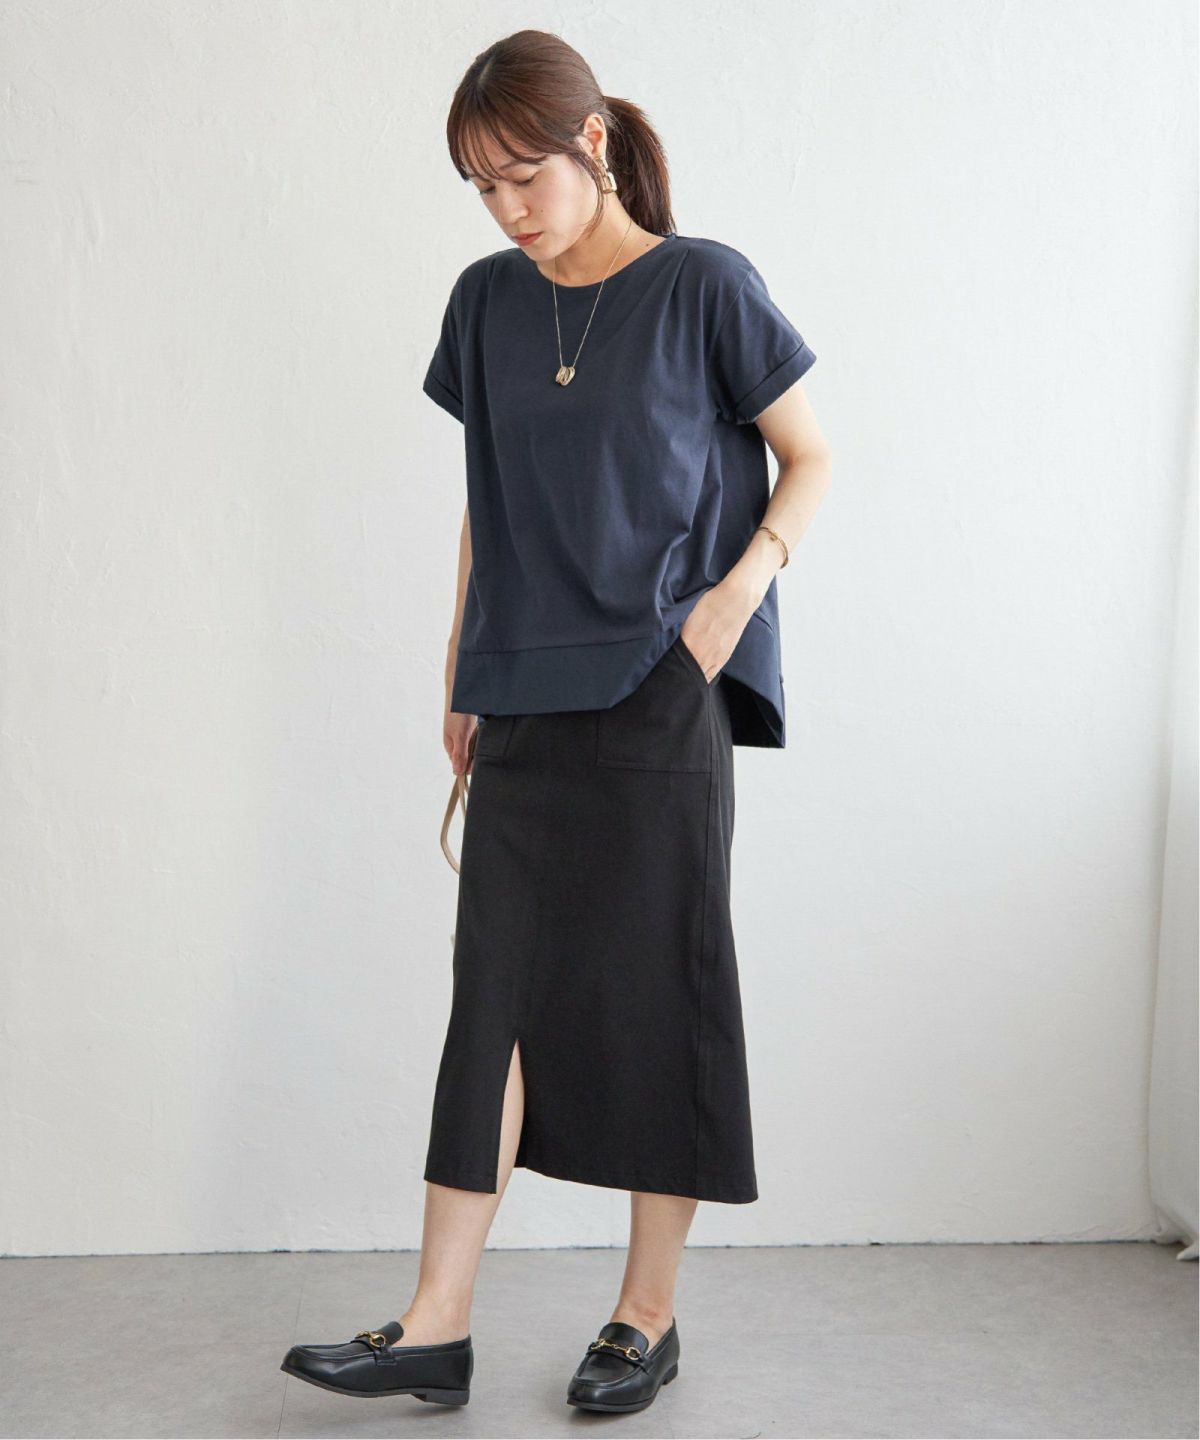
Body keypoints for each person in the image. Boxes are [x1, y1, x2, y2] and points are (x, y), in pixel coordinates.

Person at [280, 26, 832, 1417]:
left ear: (592, 143)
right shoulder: (485, 304)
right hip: (523, 683)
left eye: (523, 176)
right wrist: (461, 665)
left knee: (659, 991)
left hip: (660, 686)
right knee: (496, 1003)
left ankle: (645, 1316)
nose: (506, 211)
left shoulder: (705, 286)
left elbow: (814, 453)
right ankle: (435, 1324)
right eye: (481, 189)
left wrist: (732, 600)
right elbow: (495, 496)